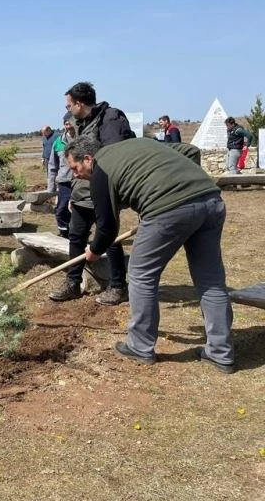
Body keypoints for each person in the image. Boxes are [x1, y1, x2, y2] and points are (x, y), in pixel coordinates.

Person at [65, 136, 235, 373]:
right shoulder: (138, 145)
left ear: (87, 158)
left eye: (75, 168)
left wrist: (93, 251)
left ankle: (139, 346)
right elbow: (190, 151)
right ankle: (220, 353)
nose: (75, 175)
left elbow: (107, 229)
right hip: (210, 199)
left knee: (141, 274)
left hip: (168, 209)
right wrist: (185, 186)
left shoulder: (101, 169)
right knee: (210, 279)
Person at [49, 81, 135, 305]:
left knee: (109, 237)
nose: (68, 110)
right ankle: (73, 283)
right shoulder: (80, 124)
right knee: (75, 236)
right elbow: (77, 161)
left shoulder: (110, 119)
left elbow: (113, 156)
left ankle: (118, 286)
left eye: (69, 106)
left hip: (102, 191)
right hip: (81, 193)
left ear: (79, 103)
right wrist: (74, 192)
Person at [47, 113, 77, 238]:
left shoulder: (83, 139)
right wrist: (51, 187)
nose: (68, 125)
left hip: (82, 181)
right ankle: (64, 234)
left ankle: (77, 234)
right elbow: (52, 166)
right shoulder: (58, 142)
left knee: (78, 210)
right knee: (61, 211)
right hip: (64, 182)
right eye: (66, 123)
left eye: (70, 122)